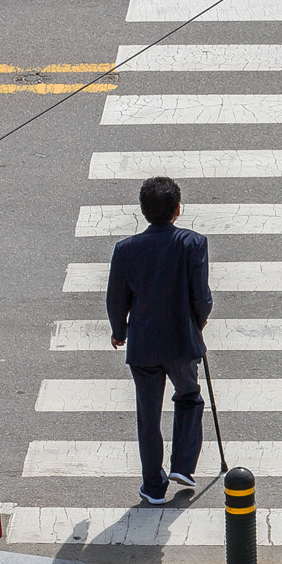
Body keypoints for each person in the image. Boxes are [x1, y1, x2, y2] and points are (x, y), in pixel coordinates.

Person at [105, 176, 213, 506]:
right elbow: (202, 297)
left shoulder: (125, 249)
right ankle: (182, 465)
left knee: (148, 415)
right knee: (190, 396)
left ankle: (153, 485)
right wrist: (200, 323)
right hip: (182, 341)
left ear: (143, 211)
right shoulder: (193, 243)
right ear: (177, 209)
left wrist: (119, 332)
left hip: (144, 346)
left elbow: (115, 299)